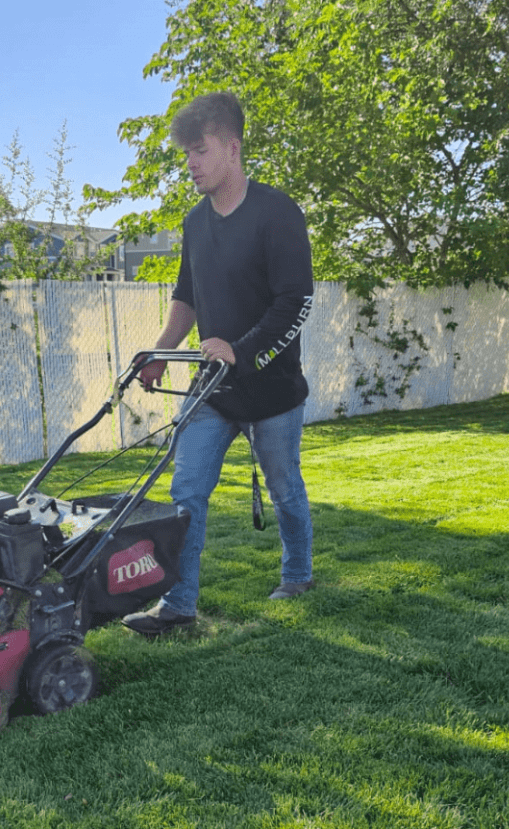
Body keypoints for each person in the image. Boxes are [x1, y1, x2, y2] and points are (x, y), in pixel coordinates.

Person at [122, 91, 315, 637]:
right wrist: (160, 350)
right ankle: (179, 608)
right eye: (187, 154)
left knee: (284, 490)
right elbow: (187, 295)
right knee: (186, 492)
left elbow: (296, 300)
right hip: (213, 389)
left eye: (200, 151)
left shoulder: (278, 212)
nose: (192, 164)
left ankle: (297, 575)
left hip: (273, 387)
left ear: (231, 148)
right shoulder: (195, 222)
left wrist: (243, 349)